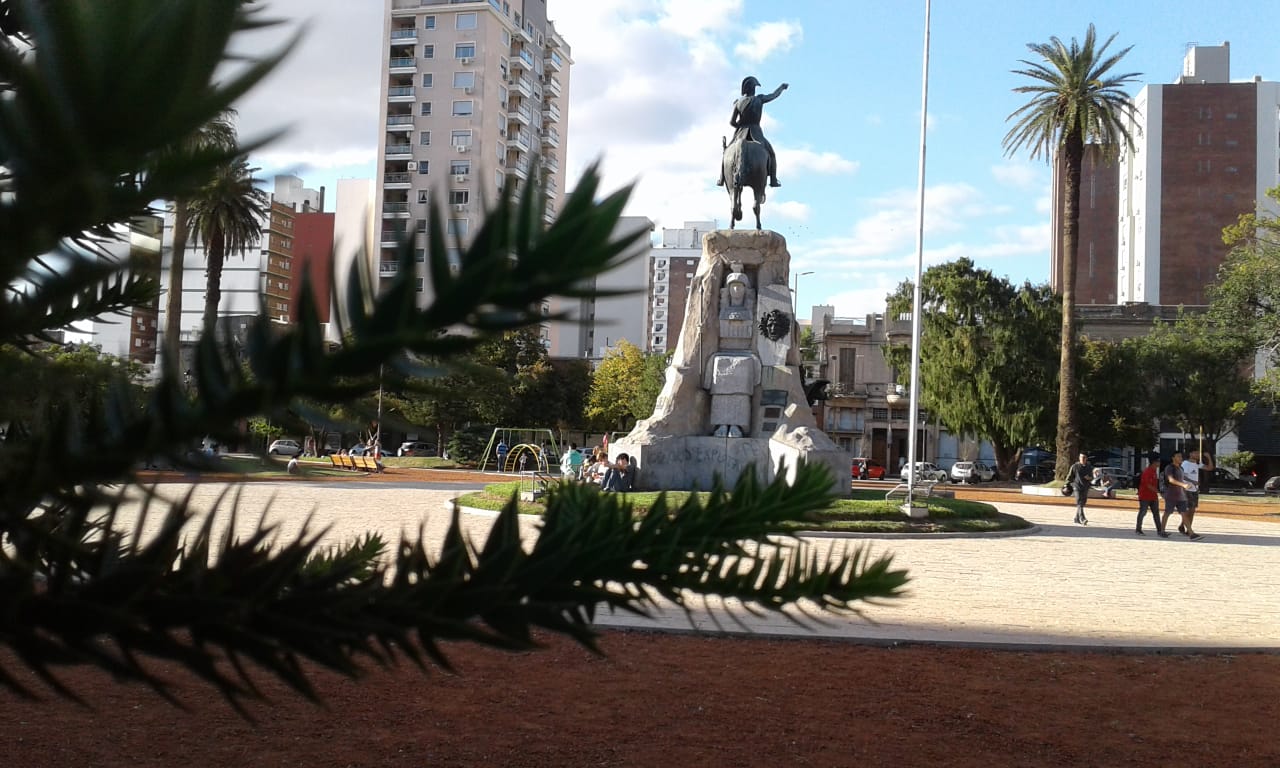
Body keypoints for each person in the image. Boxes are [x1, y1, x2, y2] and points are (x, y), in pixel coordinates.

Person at [718, 76, 788, 188]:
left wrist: (740, 125)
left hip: (740, 132)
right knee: (771, 154)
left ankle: (721, 178)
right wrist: (781, 88)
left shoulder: (738, 103)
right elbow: (773, 95)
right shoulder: (759, 99)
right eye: (755, 87)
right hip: (756, 133)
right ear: (752, 88)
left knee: (726, 152)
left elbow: (732, 122)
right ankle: (773, 180)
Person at [1160, 450, 1200, 540]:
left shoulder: (1181, 468)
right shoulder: (1169, 468)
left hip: (1181, 495)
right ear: (1173, 458)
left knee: (1184, 513)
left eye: (1181, 457)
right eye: (1178, 456)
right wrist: (1183, 485)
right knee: (1167, 512)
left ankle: (1191, 533)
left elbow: (1182, 479)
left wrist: (1186, 486)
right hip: (1171, 494)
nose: (1180, 458)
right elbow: (1171, 480)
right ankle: (1162, 530)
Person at [1180, 449, 1213, 534]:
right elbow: (1183, 476)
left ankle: (1185, 527)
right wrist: (1193, 481)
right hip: (1187, 489)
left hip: (1194, 489)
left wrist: (1208, 457)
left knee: (1192, 510)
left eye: (1199, 453)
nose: (1198, 455)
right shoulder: (1186, 463)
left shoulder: (1197, 464)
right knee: (1188, 510)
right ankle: (1188, 529)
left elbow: (1210, 468)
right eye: (1196, 453)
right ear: (1190, 454)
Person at [1135, 451, 1168, 536]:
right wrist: (1158, 491)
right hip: (1145, 496)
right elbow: (1148, 485)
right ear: (1154, 462)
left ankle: (1160, 530)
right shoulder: (1147, 472)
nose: (1159, 463)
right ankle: (1138, 529)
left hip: (1153, 497)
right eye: (1158, 461)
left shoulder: (1154, 471)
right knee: (1143, 512)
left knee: (1156, 514)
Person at [1067, 452, 1093, 525]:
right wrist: (1068, 485)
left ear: (1086, 458)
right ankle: (1083, 518)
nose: (1083, 459)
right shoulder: (1075, 466)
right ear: (1079, 458)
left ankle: (1076, 518)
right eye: (1081, 457)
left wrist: (1089, 478)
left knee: (1082, 503)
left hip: (1085, 487)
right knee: (1079, 502)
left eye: (1084, 457)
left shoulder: (1089, 467)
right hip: (1077, 486)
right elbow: (1069, 477)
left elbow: (1092, 477)